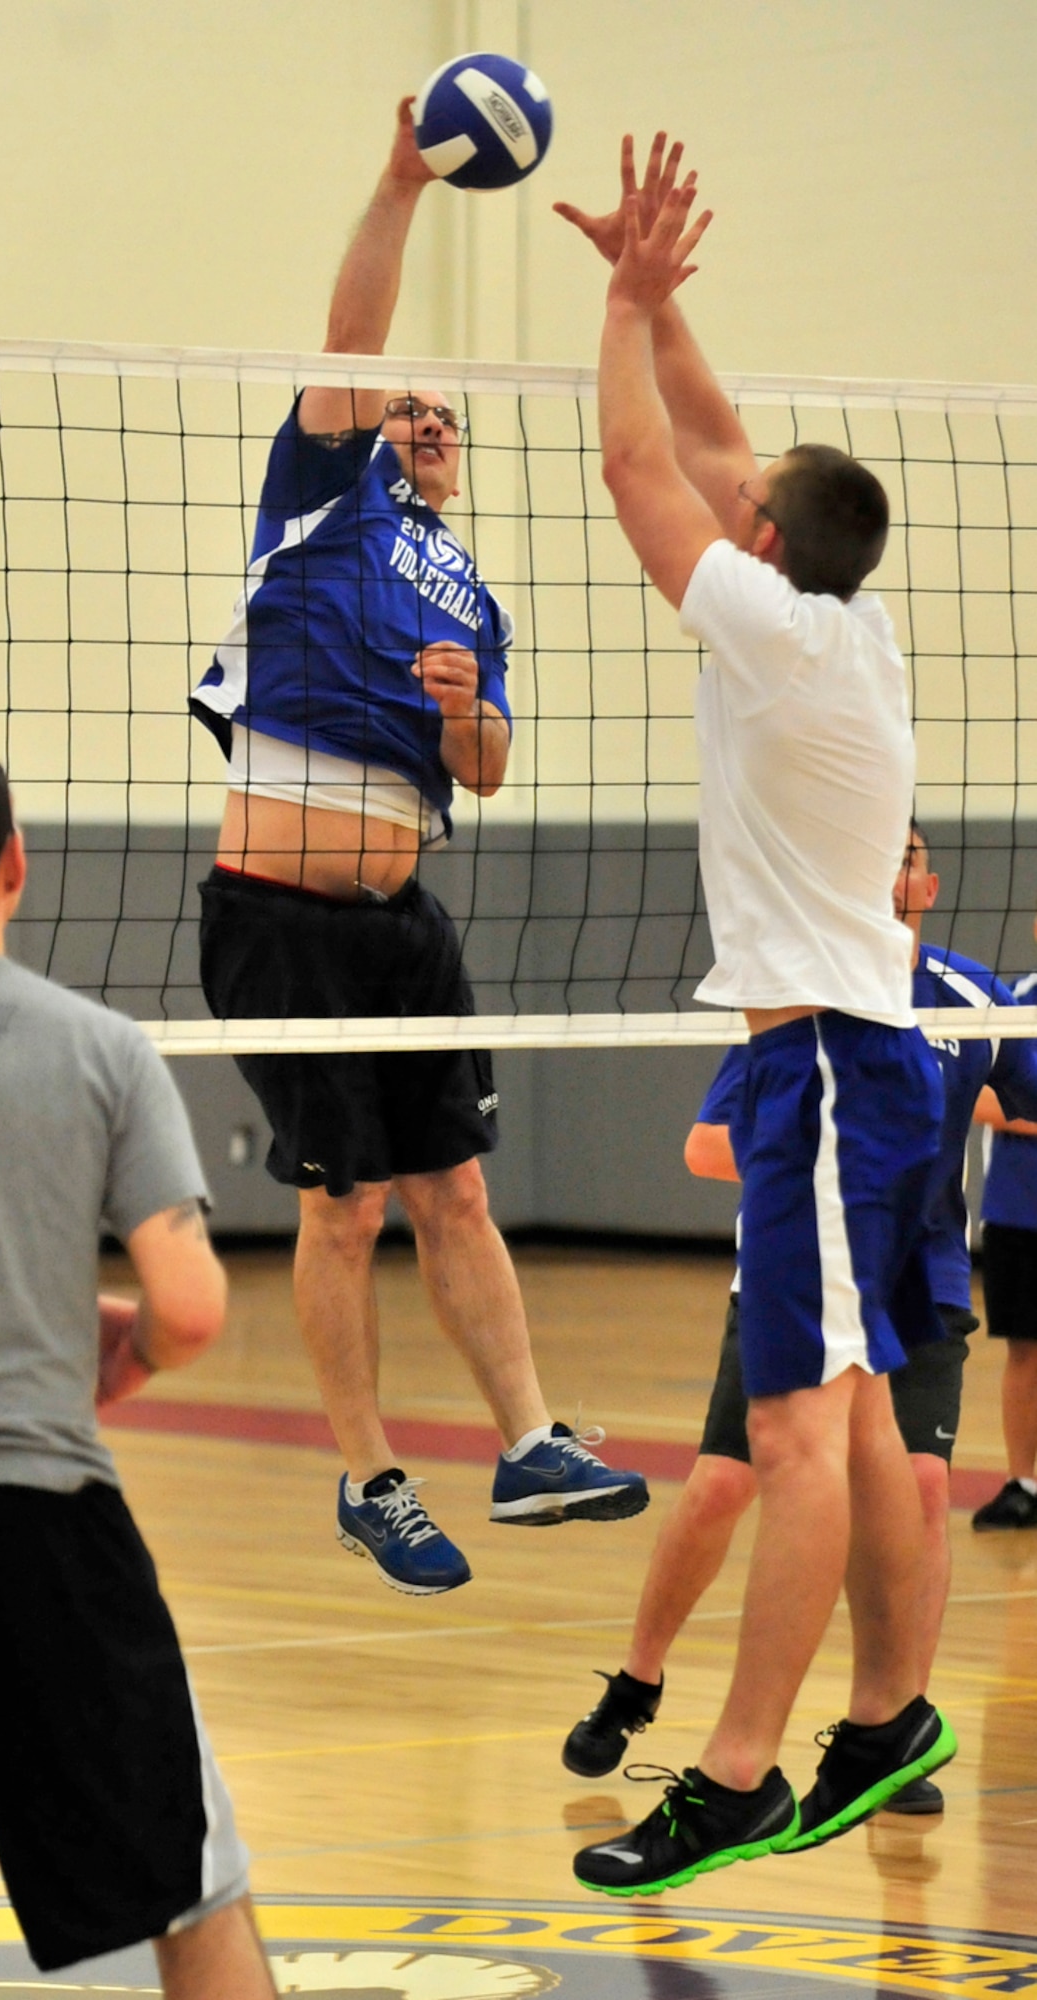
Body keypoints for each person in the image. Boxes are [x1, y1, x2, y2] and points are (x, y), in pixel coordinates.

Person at [558, 133, 953, 1897]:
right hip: (864, 1061)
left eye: (753, 503)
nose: (733, 496)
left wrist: (623, 313)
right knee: (865, 1424)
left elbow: (642, 458)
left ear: (765, 545)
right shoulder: (849, 632)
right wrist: (665, 297)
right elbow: (720, 450)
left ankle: (738, 1774)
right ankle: (888, 1723)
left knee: (792, 1433)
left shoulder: (775, 636)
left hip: (813, 1063)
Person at [188, 95, 647, 1599]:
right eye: (407, 409)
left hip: (405, 919)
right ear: (370, 431)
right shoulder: (317, 498)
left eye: (445, 415)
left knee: (453, 1188)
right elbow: (354, 331)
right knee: (347, 1199)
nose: (425, 420)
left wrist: (463, 717)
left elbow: (492, 771)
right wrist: (400, 182)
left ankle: (527, 1446)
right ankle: (368, 1475)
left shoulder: (470, 596)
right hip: (282, 912)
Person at [0, 723, 276, 1996]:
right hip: (44, 1534)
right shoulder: (102, 1049)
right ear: (15, 862)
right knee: (198, 1891)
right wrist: (123, 1345)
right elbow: (192, 1304)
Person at [562, 824, 1037, 1817]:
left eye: (909, 852)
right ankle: (637, 1677)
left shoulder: (970, 995)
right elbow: (703, 1146)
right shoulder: (807, 994)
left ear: (929, 881)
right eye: (881, 850)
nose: (895, 866)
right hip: (800, 1272)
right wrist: (837, 1160)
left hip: (926, 1282)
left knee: (920, 1485)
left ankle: (897, 1719)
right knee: (720, 1490)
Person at [971, 930, 1037, 1529]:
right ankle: (1024, 1483)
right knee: (1025, 1350)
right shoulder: (1012, 1002)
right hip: (1020, 1209)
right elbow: (979, 1098)